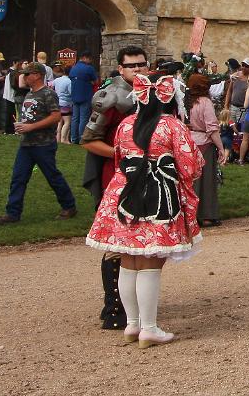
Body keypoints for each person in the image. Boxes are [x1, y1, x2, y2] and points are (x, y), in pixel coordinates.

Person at [85, 73, 203, 347]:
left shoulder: (126, 125)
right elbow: (191, 165)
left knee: (129, 260)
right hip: (158, 196)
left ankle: (132, 325)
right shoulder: (171, 126)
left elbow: (118, 157)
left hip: (124, 193)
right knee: (150, 261)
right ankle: (148, 327)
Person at [79, 46, 148, 330]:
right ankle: (114, 307)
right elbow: (89, 139)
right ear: (120, 69)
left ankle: (136, 304)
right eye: (131, 66)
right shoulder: (109, 97)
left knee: (142, 242)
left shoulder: (151, 95)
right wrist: (123, 154)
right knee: (116, 243)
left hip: (145, 177)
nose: (138, 70)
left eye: (142, 65)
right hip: (116, 177)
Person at [0, 62, 78, 226]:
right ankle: (12, 213)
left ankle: (69, 206)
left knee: (52, 176)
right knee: (18, 178)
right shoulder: (30, 94)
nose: (24, 77)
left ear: (37, 75)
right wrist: (22, 126)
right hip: (26, 144)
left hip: (43, 145)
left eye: (27, 74)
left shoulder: (48, 94)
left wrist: (31, 127)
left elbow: (55, 117)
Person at [187, 74, 226, 228]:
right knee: (206, 181)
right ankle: (207, 215)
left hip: (189, 143)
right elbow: (212, 128)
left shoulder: (186, 102)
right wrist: (221, 148)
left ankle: (191, 214)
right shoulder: (205, 102)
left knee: (192, 181)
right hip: (204, 143)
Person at [68, 51, 98, 144]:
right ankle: (81, 138)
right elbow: (96, 81)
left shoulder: (73, 68)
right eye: (89, 59)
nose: (90, 61)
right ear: (85, 57)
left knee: (75, 118)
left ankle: (74, 138)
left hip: (74, 96)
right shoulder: (89, 68)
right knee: (83, 118)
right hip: (85, 95)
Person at [52, 63, 73, 143]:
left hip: (57, 103)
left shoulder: (57, 80)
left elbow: (50, 85)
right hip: (66, 103)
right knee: (67, 122)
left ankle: (58, 139)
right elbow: (71, 93)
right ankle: (64, 139)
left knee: (59, 122)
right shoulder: (69, 82)